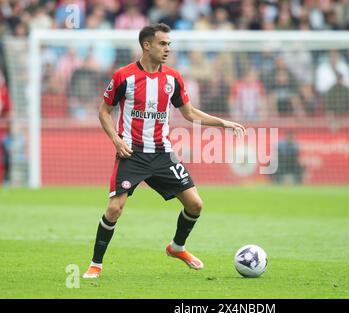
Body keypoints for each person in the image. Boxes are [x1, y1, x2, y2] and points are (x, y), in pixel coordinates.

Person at [82, 23, 246, 279]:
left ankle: (177, 247)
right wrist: (116, 139)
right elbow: (104, 111)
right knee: (115, 208)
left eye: (169, 44)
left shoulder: (173, 78)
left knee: (195, 205)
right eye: (163, 43)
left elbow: (189, 113)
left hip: (163, 154)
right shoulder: (123, 76)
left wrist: (222, 122)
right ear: (147, 45)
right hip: (132, 153)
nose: (168, 48)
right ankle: (96, 264)